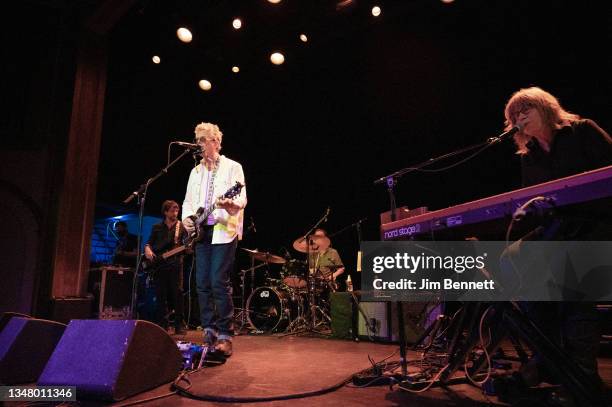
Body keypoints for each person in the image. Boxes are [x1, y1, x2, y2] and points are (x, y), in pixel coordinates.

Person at [502, 87, 612, 402]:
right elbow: (534, 203)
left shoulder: (582, 131)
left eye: (526, 110)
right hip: (558, 231)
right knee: (512, 259)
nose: (519, 117)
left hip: (596, 225)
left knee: (575, 281)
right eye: (514, 116)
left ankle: (581, 376)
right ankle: (549, 358)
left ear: (546, 108)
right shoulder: (529, 157)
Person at [182, 122, 247, 357]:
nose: (199, 145)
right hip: (201, 233)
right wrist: (188, 220)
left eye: (203, 140)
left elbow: (241, 197)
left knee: (218, 281)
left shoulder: (233, 167)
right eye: (197, 140)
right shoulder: (195, 171)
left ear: (216, 142)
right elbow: (188, 201)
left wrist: (232, 204)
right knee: (202, 284)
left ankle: (225, 334)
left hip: (223, 230)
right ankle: (208, 329)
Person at [143, 200, 187, 334]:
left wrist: (189, 248)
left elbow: (186, 245)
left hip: (175, 264)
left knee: (177, 294)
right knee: (160, 295)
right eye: (173, 210)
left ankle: (179, 325)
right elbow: (149, 243)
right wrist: (147, 249)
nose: (175, 212)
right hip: (159, 265)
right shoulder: (157, 227)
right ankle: (163, 324)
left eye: (177, 210)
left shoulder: (181, 227)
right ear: (166, 212)